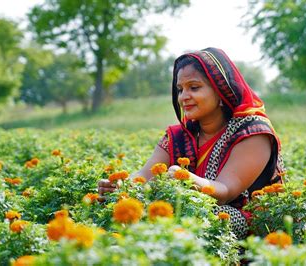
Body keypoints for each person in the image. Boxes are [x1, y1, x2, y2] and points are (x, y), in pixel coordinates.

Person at [98, 47, 284, 239]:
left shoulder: (252, 133)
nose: (183, 97)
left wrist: (186, 178)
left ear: (220, 91)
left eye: (194, 87)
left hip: (248, 232)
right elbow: (144, 177)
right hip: (189, 216)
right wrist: (121, 185)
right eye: (180, 89)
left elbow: (225, 191)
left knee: (188, 220)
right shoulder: (178, 135)